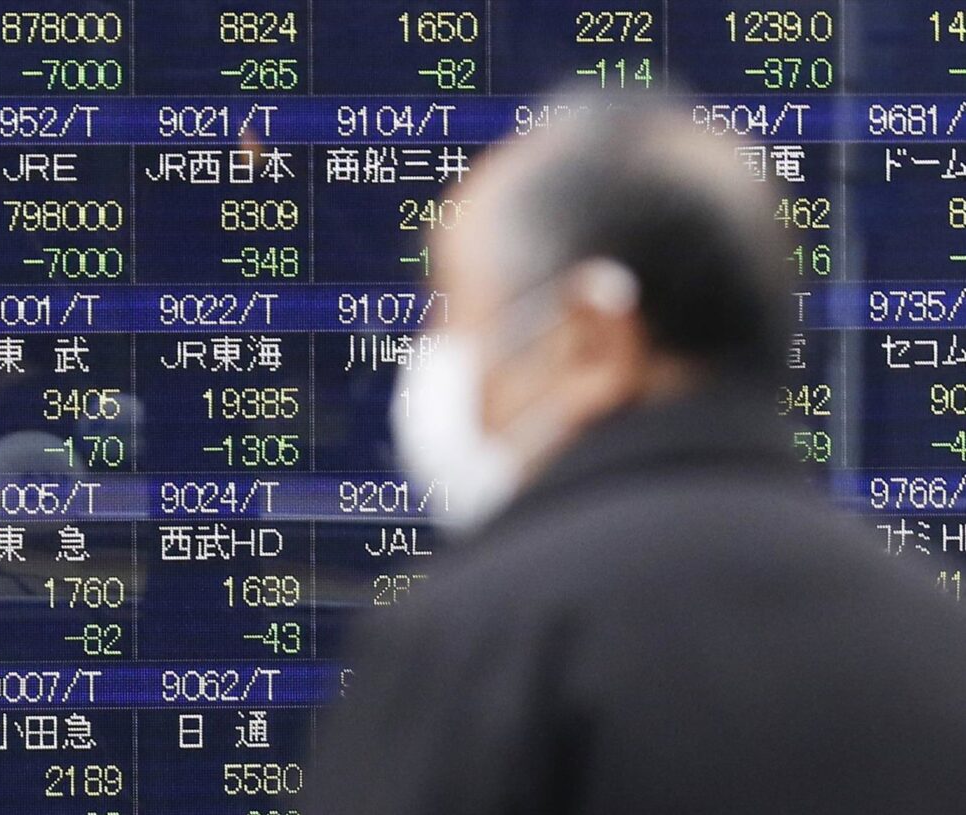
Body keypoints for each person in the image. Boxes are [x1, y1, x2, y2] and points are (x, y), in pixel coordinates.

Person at [306, 94, 966, 813]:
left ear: (592, 338)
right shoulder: (935, 635)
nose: (432, 355)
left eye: (454, 309)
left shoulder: (476, 646)